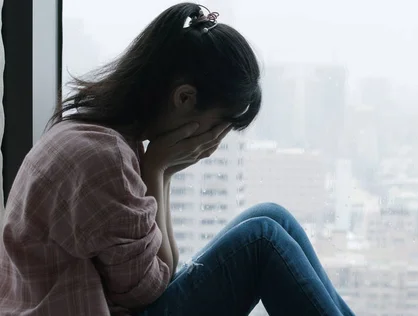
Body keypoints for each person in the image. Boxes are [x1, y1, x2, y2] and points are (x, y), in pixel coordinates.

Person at [0, 3, 356, 316]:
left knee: (271, 217)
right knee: (260, 240)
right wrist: (157, 169)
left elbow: (161, 271)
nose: (214, 141)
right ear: (185, 99)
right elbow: (149, 289)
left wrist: (161, 168)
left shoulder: (102, 138)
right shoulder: (103, 158)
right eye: (217, 125)